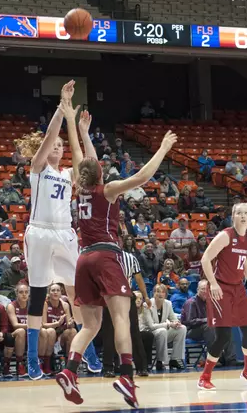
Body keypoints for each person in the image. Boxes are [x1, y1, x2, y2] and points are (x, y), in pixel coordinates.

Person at [54, 109, 177, 408]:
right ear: (100, 171)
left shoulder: (80, 190)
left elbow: (85, 159)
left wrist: (82, 132)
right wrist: (162, 148)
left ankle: (70, 370)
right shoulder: (107, 190)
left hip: (83, 259)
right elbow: (143, 176)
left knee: (90, 325)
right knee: (122, 316)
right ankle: (126, 375)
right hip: (106, 256)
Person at [14, 81, 83, 380]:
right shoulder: (38, 168)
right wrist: (61, 107)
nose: (57, 145)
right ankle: (32, 359)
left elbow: (83, 165)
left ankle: (85, 352)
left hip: (65, 232)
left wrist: (73, 125)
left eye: (61, 145)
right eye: (54, 143)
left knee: (76, 292)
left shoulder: (68, 174)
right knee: (38, 293)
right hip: (40, 231)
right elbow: (48, 139)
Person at [197, 203, 247, 390]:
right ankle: (205, 376)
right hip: (221, 288)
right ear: (233, 216)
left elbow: (246, 265)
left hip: (238, 289)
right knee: (224, 336)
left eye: (246, 213)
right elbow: (205, 259)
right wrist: (212, 283)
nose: (243, 216)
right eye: (239, 213)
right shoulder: (225, 236)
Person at [6, 283, 30, 378]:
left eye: (26, 292)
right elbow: (15, 325)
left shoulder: (31, 306)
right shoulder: (11, 306)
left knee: (44, 332)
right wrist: (32, 325)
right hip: (13, 335)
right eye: (21, 292)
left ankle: (42, 363)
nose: (24, 294)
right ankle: (19, 364)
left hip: (29, 334)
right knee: (21, 331)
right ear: (16, 294)